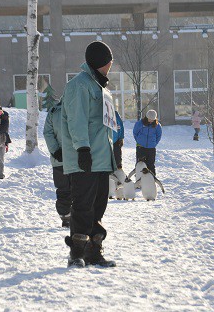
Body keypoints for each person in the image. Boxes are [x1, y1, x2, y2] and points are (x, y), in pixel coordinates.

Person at [61, 41, 117, 268]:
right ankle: (76, 253)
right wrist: (82, 148)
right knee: (83, 205)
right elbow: (77, 119)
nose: (110, 65)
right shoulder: (79, 85)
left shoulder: (100, 87)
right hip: (85, 158)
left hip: (101, 158)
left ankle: (94, 251)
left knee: (98, 206)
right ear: (99, 62)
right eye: (108, 61)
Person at [43, 100, 72, 227]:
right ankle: (68, 217)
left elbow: (48, 133)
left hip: (61, 159)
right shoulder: (78, 108)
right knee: (73, 189)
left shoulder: (54, 111)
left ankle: (68, 217)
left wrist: (55, 150)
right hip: (73, 158)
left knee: (65, 189)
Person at [133, 109, 162, 175]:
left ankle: (152, 180)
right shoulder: (139, 124)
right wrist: (139, 141)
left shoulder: (157, 126)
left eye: (153, 119)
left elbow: (158, 136)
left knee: (151, 165)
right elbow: (135, 133)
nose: (151, 120)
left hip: (151, 148)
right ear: (146, 117)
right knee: (140, 164)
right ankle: (139, 180)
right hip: (141, 147)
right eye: (150, 119)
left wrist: (154, 143)